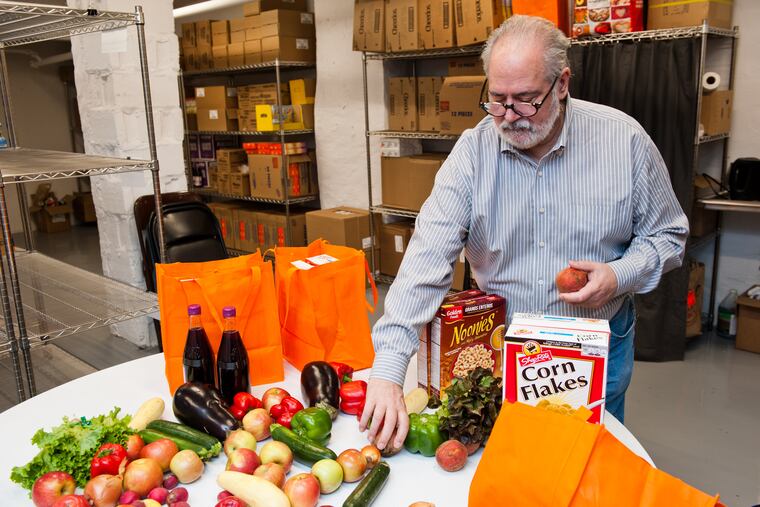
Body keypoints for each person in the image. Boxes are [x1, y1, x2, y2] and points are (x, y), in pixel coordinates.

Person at [359, 15, 689, 452]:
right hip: (502, 350)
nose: (509, 116)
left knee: (589, 466)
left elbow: (668, 235)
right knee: (513, 465)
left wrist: (620, 274)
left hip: (594, 349)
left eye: (527, 100)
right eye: (497, 99)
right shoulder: (473, 154)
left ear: (563, 83)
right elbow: (427, 257)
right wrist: (387, 368)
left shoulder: (624, 141)